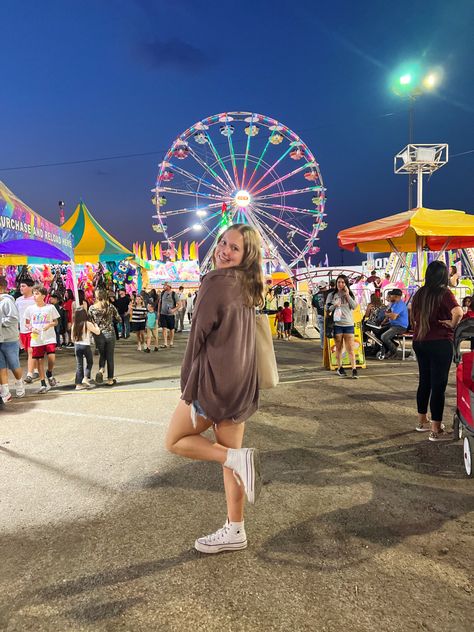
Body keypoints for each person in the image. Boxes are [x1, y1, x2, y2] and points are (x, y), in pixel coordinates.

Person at [165, 223, 264, 554]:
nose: (224, 250)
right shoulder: (249, 285)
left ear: (246, 255)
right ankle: (236, 529)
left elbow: (198, 337)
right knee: (232, 464)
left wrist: (186, 384)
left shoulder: (215, 281)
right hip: (242, 383)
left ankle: (236, 458)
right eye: (222, 243)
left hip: (215, 380)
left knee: (175, 441)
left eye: (234, 248)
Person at [411, 261, 463, 441]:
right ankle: (435, 430)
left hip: (419, 341)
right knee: (438, 386)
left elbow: (412, 313)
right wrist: (452, 324)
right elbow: (458, 312)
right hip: (440, 342)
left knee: (424, 381)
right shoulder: (444, 293)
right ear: (443, 275)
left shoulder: (419, 293)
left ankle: (421, 421)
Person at [24, 285, 59, 394]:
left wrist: (49, 325)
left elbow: (56, 322)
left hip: (49, 337)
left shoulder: (50, 307)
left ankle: (49, 372)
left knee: (51, 357)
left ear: (43, 296)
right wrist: (31, 328)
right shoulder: (30, 309)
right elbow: (27, 323)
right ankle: (43, 383)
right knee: (39, 360)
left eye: (37, 293)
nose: (34, 296)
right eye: (34, 293)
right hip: (36, 338)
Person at [326, 274, 358, 378]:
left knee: (351, 349)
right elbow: (327, 309)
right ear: (336, 283)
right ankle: (340, 368)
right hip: (337, 324)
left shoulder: (350, 294)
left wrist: (347, 295)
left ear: (346, 283)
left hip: (348, 324)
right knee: (339, 348)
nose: (340, 284)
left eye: (343, 282)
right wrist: (334, 305)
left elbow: (354, 306)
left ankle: (354, 369)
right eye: (338, 282)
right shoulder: (332, 295)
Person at [0, 277, 25, 401]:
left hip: (9, 339)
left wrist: (1, 322)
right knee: (1, 366)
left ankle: (19, 382)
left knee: (14, 365)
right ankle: (5, 391)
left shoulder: (7, 301)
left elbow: (14, 318)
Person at [89, 289, 120, 386]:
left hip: (98, 334)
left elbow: (90, 321)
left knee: (102, 355)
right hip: (110, 333)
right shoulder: (110, 307)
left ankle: (101, 370)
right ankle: (110, 379)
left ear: (97, 297)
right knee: (110, 357)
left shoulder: (92, 308)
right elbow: (119, 318)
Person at [15, 278, 39, 383]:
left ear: (30, 287)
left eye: (23, 286)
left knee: (31, 350)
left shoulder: (35, 299)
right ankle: (36, 369)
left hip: (33, 330)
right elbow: (16, 315)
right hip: (22, 330)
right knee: (30, 351)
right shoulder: (18, 300)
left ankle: (29, 374)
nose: (21, 288)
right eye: (20, 286)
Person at [71, 307, 100, 390]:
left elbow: (72, 339)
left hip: (77, 346)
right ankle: (86, 378)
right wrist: (96, 326)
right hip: (86, 345)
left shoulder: (74, 325)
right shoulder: (87, 324)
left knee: (79, 365)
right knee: (89, 362)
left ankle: (78, 384)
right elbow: (97, 332)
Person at [380, 289, 409, 358]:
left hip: (400, 326)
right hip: (392, 324)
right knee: (378, 331)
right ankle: (391, 346)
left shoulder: (400, 304)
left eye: (391, 295)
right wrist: (384, 321)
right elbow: (389, 313)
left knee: (384, 337)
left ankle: (394, 351)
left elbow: (393, 316)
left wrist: (388, 314)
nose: (390, 296)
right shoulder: (393, 303)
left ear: (395, 296)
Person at [159, 282, 178, 348]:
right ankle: (165, 343)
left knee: (171, 329)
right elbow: (160, 303)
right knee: (164, 328)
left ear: (169, 286)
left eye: (165, 285)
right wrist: (159, 312)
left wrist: (173, 310)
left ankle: (171, 342)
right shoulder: (162, 293)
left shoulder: (174, 294)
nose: (164, 286)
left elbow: (180, 304)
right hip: (163, 313)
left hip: (170, 315)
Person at [312, 283, 327, 349]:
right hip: (327, 315)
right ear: (324, 287)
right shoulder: (327, 294)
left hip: (319, 315)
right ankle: (329, 345)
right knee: (329, 330)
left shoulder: (315, 296)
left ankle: (322, 345)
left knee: (322, 331)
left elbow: (313, 305)